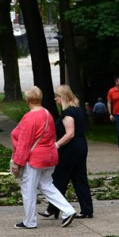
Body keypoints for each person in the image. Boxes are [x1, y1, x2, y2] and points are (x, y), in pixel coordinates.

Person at [9, 86, 75, 229]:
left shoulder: (29, 117)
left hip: (35, 158)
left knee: (28, 189)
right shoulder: (47, 114)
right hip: (49, 156)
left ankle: (29, 221)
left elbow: (24, 143)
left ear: (27, 99)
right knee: (47, 186)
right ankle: (68, 210)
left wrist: (17, 163)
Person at [43, 84, 94, 220]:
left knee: (59, 177)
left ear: (63, 97)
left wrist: (56, 145)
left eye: (57, 97)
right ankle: (86, 209)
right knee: (79, 178)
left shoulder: (68, 113)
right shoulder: (78, 110)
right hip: (81, 146)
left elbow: (70, 134)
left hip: (70, 149)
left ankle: (52, 208)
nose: (55, 99)